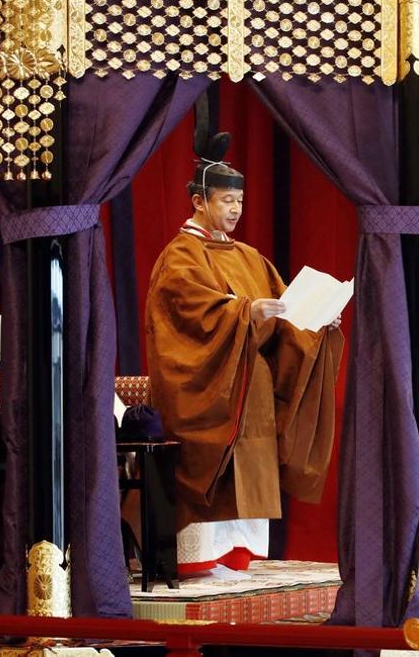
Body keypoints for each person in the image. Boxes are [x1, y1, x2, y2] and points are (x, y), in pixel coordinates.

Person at [145, 132, 344, 575]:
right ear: (198, 201)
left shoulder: (251, 257)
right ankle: (198, 559)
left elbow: (284, 316)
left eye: (239, 200)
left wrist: (317, 323)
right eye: (225, 200)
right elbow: (186, 315)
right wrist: (242, 312)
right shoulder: (181, 256)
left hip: (252, 389)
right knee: (215, 471)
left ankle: (240, 554)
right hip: (212, 390)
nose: (235, 209)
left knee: (252, 474)